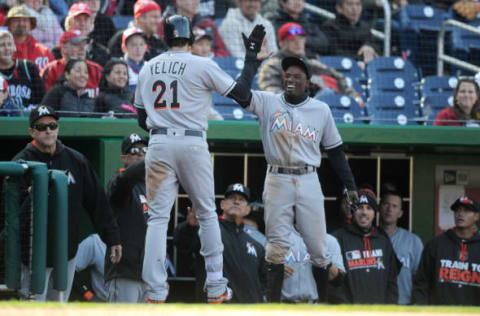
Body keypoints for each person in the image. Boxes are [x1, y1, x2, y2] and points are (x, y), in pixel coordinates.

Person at [134, 15, 270, 303]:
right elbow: (243, 95)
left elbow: (141, 117)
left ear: (165, 37)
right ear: (191, 39)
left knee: (158, 219)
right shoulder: (201, 63)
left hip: (158, 141)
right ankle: (217, 286)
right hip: (192, 140)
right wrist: (250, 62)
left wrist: (163, 125)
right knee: (207, 213)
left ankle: (155, 292)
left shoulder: (148, 67)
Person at [236, 50, 358, 301]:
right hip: (278, 176)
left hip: (308, 177)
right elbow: (240, 94)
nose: (291, 79)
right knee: (277, 247)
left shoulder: (320, 109)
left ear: (308, 82)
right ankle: (273, 304)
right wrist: (250, 61)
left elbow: (335, 151)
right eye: (287, 75)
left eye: (297, 76)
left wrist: (350, 185)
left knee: (319, 248)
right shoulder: (269, 101)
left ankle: (321, 302)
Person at [13, 105, 122, 301]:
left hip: (66, 252)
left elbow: (98, 203)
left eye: (52, 125)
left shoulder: (76, 160)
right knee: (31, 310)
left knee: (58, 307)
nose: (48, 130)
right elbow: (11, 211)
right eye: (41, 126)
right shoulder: (22, 162)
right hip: (33, 255)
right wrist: (28, 196)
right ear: (32, 131)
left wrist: (112, 237)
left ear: (58, 128)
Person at [175, 184, 267, 303]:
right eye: (232, 198)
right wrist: (189, 227)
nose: (236, 202)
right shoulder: (209, 230)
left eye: (241, 199)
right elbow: (182, 243)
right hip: (216, 309)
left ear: (248, 209)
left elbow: (265, 281)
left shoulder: (257, 245)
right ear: (222, 204)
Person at [330, 188, 400, 304]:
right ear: (352, 210)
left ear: (374, 213)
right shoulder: (337, 239)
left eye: (369, 208)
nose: (364, 212)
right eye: (359, 207)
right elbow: (333, 282)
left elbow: (392, 282)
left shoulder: (383, 240)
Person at [258, 22, 358, 99]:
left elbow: (340, 80)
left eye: (300, 39)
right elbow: (270, 93)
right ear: (281, 44)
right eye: (292, 40)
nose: (298, 43)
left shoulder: (313, 64)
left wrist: (353, 99)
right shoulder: (273, 65)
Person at [105, 133, 150, 303]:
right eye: (134, 150)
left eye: (145, 149)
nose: (140, 153)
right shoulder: (118, 182)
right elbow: (126, 180)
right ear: (124, 158)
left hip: (148, 274)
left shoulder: (150, 187)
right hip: (125, 271)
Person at [412, 196, 480, 306]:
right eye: (457, 210)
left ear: (476, 216)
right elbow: (421, 282)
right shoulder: (435, 244)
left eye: (466, 210)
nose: (460, 214)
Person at [379, 190, 423, 305]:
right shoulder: (369, 238)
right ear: (379, 208)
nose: (389, 209)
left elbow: (420, 279)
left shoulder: (413, 241)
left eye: (394, 206)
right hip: (375, 303)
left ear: (400, 213)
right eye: (386, 204)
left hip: (404, 303)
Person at [282, 227, 345, 303]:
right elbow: (265, 273)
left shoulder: (329, 240)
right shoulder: (280, 238)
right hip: (283, 304)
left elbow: (338, 280)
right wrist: (276, 269)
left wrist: (323, 257)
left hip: (314, 305)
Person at [40, 30, 103, 98]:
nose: (82, 48)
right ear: (64, 48)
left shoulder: (97, 70)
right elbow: (43, 102)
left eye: (84, 44)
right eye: (76, 45)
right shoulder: (50, 71)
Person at [158, 0, 229, 57]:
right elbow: (163, 51)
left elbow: (223, 53)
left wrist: (210, 56)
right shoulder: (167, 24)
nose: (196, 1)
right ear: (178, 1)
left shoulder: (208, 23)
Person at [0, 30, 45, 112]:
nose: (6, 48)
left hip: (27, 119)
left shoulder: (28, 67)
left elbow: (41, 98)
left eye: (9, 44)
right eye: (2, 45)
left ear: (14, 47)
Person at [4, 5, 55, 72]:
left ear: (30, 25)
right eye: (16, 20)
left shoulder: (44, 52)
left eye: (25, 20)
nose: (21, 24)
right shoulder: (2, 50)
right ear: (9, 25)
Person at [63, 2, 110, 67]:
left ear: (91, 24)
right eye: (78, 19)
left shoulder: (102, 53)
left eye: (86, 20)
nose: (82, 24)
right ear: (69, 23)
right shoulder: (59, 51)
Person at [74, 233, 108, 302]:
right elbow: (70, 271)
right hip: (103, 305)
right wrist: (89, 295)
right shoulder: (96, 241)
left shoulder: (135, 242)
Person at [121, 28, 147, 92]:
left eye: (141, 44)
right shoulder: (119, 68)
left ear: (145, 47)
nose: (138, 49)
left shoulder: (151, 67)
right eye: (133, 45)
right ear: (124, 48)